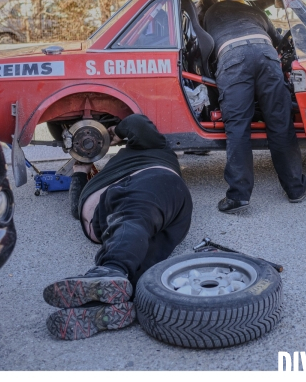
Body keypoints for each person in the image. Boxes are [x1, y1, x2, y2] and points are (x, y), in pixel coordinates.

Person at [42, 114, 193, 340]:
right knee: (143, 256)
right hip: (122, 222)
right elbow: (76, 210)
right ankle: (117, 304)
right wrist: (80, 171)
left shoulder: (151, 147)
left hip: (152, 184)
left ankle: (111, 269)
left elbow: (138, 123)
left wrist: (114, 133)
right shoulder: (107, 176)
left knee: (133, 220)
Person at [202, 0, 306, 213]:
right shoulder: (253, 9)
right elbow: (278, 41)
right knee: (280, 123)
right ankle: (295, 189)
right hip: (266, 54)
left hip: (231, 57)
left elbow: (202, 48)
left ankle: (238, 196)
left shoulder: (207, 14)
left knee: (238, 128)